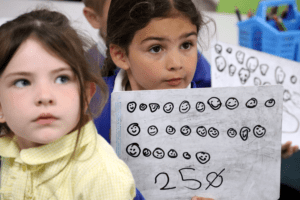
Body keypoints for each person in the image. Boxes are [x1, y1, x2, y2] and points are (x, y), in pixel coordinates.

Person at [0, 9, 137, 199]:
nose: (45, 96)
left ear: (85, 96)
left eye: (62, 78)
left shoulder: (102, 175)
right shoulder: (5, 153)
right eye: (23, 82)